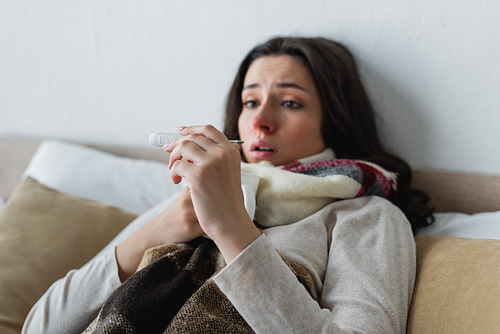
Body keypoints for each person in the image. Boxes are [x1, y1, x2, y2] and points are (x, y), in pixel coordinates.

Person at [22, 37, 433, 334]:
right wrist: (158, 229)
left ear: (335, 120)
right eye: (250, 102)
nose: (261, 120)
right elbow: (40, 327)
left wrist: (232, 228)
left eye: (290, 102)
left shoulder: (365, 214)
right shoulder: (192, 199)